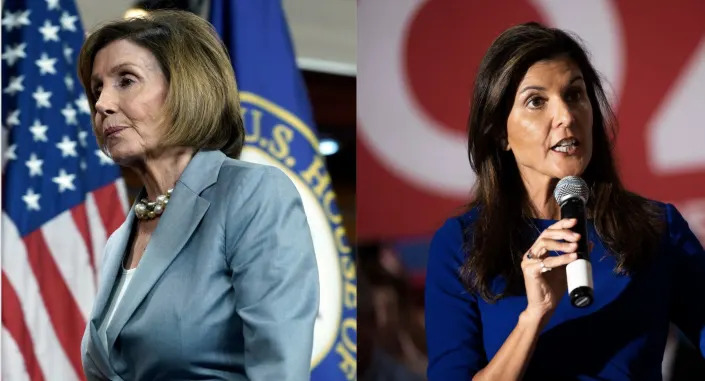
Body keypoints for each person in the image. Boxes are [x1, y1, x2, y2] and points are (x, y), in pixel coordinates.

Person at [425, 22, 705, 380]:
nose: (566, 117)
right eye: (536, 101)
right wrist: (535, 315)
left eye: (574, 95)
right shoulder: (461, 245)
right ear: (499, 133)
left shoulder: (656, 227)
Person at [77, 10, 319, 380]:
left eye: (125, 81)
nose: (102, 104)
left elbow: (278, 367)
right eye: (97, 88)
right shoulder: (119, 241)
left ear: (185, 88)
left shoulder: (251, 195)